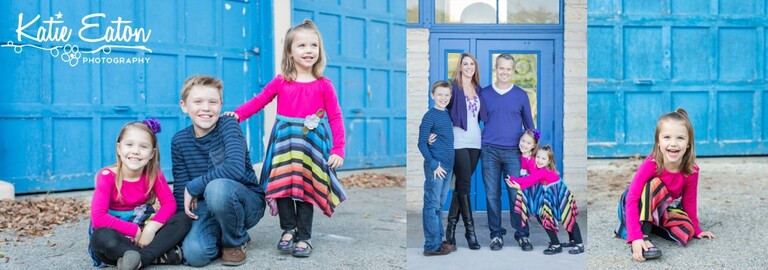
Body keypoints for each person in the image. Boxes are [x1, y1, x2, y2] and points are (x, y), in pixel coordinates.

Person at [224, 19, 346, 258]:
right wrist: (238, 114)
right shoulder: (281, 81)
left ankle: (305, 237)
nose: (308, 50)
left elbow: (335, 117)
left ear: (319, 50)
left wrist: (338, 149)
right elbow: (259, 101)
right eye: (301, 45)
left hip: (311, 145)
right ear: (290, 51)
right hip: (284, 143)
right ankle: (288, 230)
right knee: (282, 186)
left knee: (305, 189)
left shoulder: (324, 85)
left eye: (313, 45)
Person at [172, 75, 266, 266]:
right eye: (197, 102)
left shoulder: (228, 125)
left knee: (217, 188)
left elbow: (234, 169)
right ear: (184, 105)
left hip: (244, 201)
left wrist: (194, 186)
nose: (206, 108)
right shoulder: (179, 140)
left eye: (213, 102)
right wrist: (179, 227)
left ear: (221, 104)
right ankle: (220, 235)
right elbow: (181, 188)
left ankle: (235, 241)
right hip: (206, 207)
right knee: (194, 255)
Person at [614, 108, 716, 262]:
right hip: (634, 204)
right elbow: (632, 198)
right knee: (654, 184)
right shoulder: (651, 164)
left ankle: (652, 225)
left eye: (680, 138)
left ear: (688, 143)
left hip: (663, 208)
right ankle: (643, 234)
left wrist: (696, 228)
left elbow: (689, 202)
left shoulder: (691, 171)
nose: (673, 144)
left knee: (687, 231)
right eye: (667, 137)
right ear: (658, 141)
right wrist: (635, 237)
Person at [89, 119, 191, 270]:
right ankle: (155, 256)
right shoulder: (107, 176)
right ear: (119, 148)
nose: (135, 151)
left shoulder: (153, 174)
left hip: (144, 226)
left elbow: (169, 204)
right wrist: (134, 231)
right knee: (101, 238)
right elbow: (98, 218)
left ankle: (141, 258)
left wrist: (150, 229)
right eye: (129, 145)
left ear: (152, 153)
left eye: (143, 146)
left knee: (183, 219)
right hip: (117, 233)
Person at [478, 53, 535, 251]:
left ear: (513, 71)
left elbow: (530, 127)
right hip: (489, 151)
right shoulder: (484, 94)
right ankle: (495, 235)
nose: (505, 72)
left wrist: (532, 152)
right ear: (496, 69)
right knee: (492, 194)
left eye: (508, 69)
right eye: (501, 68)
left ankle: (522, 234)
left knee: (516, 195)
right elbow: (471, 120)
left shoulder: (520, 95)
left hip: (513, 153)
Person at [507, 145, 584, 255]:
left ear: (549, 161)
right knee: (549, 216)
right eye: (538, 157)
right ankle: (571, 241)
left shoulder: (544, 170)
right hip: (551, 194)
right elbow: (530, 175)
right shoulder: (537, 167)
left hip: (559, 194)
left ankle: (577, 244)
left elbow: (531, 178)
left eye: (543, 159)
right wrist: (525, 156)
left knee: (567, 216)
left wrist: (513, 180)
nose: (539, 160)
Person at [443, 53, 482, 250]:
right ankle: (470, 232)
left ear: (475, 67)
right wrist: (435, 131)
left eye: (471, 64)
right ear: (459, 67)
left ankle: (450, 229)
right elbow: (440, 108)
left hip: (476, 142)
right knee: (464, 185)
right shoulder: (453, 88)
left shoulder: (479, 89)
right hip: (458, 141)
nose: (468, 67)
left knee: (461, 186)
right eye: (465, 64)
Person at [418, 80, 454, 256]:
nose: (443, 98)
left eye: (447, 95)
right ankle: (431, 246)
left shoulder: (446, 114)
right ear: (433, 95)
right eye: (440, 94)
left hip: (447, 167)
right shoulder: (429, 116)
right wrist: (434, 164)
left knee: (439, 205)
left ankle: (439, 241)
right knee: (432, 206)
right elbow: (421, 144)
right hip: (436, 167)